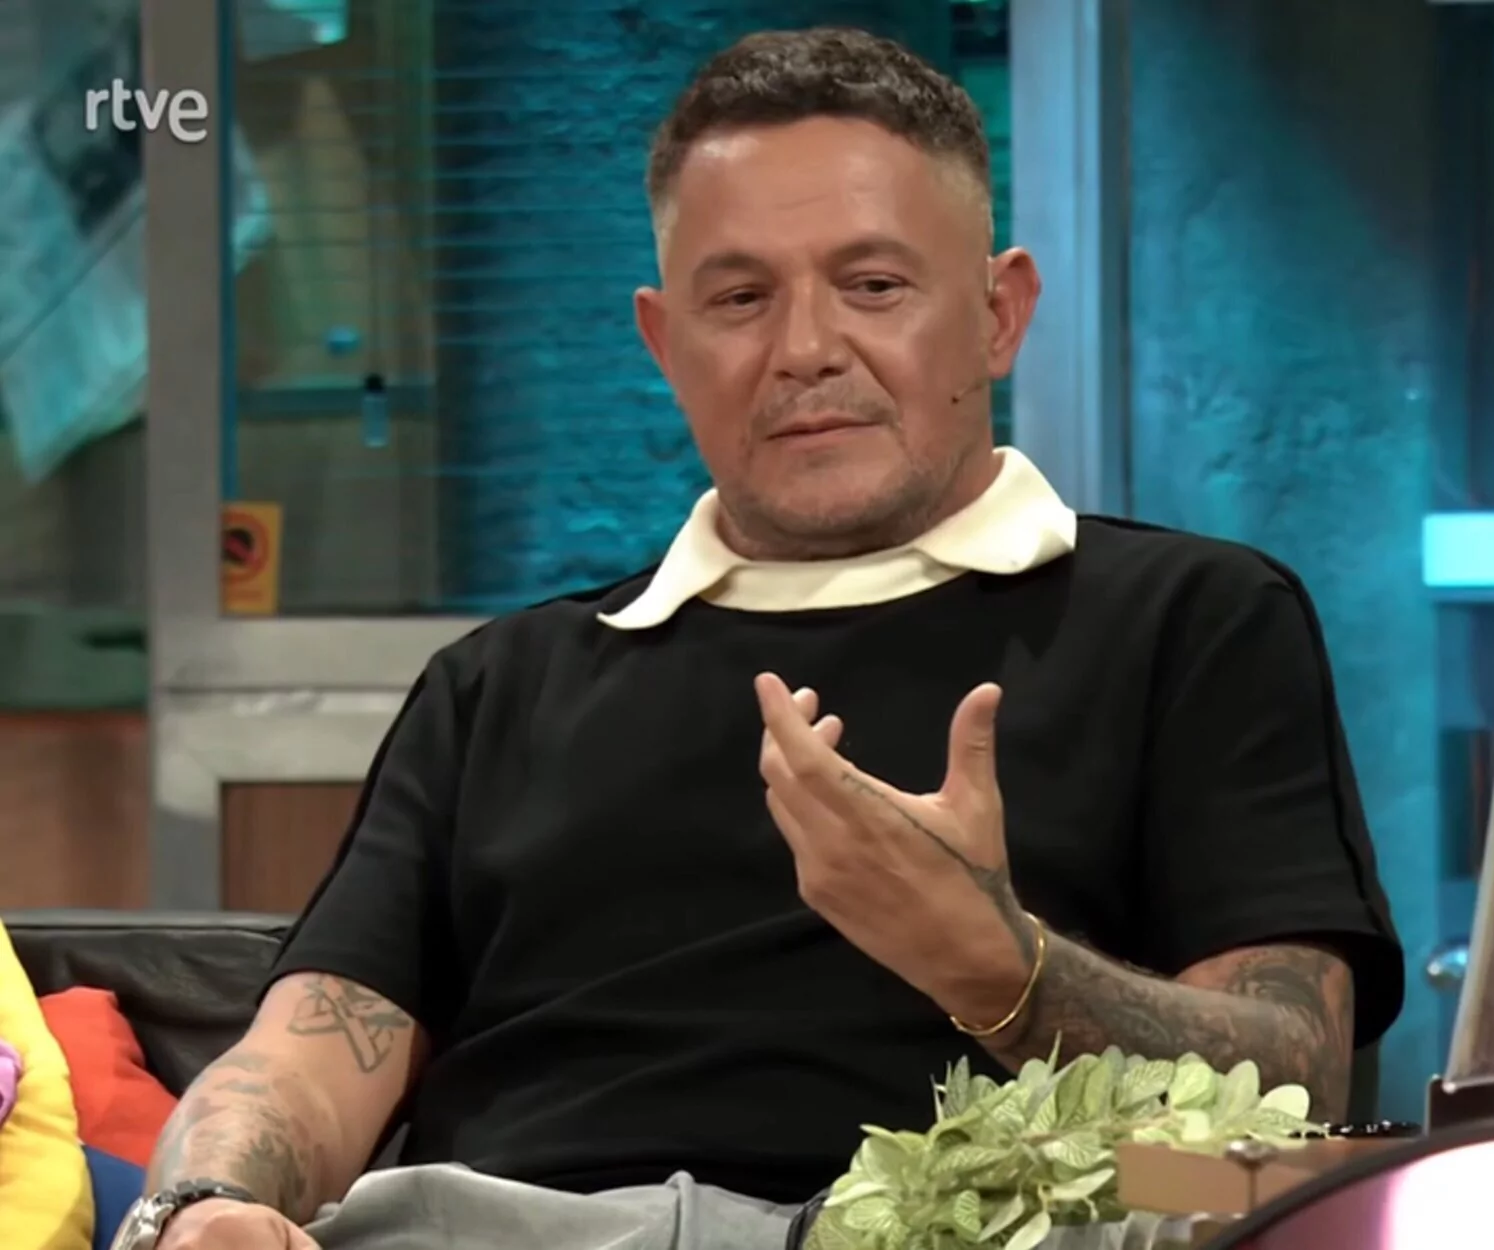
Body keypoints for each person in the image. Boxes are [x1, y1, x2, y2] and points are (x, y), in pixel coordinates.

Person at [126, 26, 1402, 1250]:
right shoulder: (500, 685)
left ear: (997, 312)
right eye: (740, 297)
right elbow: (304, 1056)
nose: (804, 349)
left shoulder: (1189, 619)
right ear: (663, 340)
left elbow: (1293, 1081)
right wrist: (207, 1201)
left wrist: (1000, 967)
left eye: (873, 286)